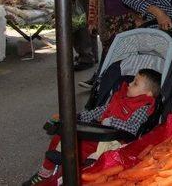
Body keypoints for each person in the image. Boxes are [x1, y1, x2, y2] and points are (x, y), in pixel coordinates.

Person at [24, 69, 161, 185]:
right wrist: (76, 117)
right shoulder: (120, 98)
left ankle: (74, 175)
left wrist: (111, 122)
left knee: (85, 152)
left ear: (148, 94)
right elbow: (99, 111)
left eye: (135, 83)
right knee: (61, 136)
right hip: (99, 132)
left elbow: (132, 128)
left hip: (114, 140)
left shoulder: (143, 107)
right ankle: (46, 172)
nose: (129, 84)